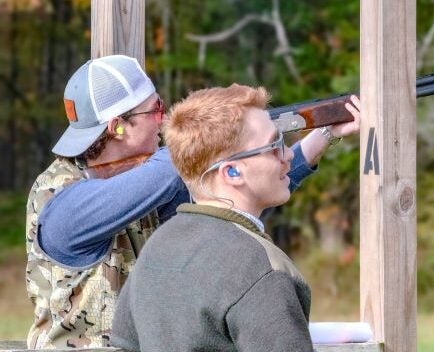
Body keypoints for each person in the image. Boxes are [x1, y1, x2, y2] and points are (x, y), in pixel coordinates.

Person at [25, 55, 360, 349]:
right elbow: (198, 166)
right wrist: (221, 134)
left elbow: (230, 196)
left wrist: (322, 134)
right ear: (118, 127)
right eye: (155, 110)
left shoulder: (146, 182)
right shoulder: (61, 204)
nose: (164, 117)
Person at [111, 83, 334, 351]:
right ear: (231, 173)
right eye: (274, 145)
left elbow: (123, 343)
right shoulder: (258, 268)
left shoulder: (156, 248)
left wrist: (327, 131)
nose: (287, 155)